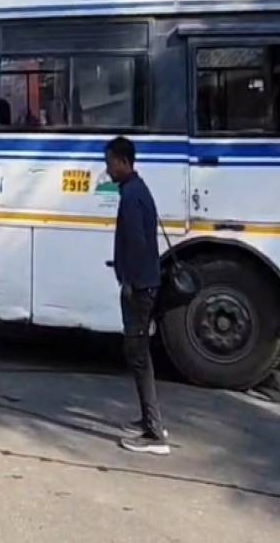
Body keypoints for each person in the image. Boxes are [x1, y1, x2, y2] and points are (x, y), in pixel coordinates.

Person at [104, 136, 169, 456]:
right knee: (139, 354)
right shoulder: (138, 189)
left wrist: (128, 280)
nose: (107, 170)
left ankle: (155, 433)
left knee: (138, 355)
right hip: (145, 283)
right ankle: (148, 421)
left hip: (140, 287)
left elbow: (137, 243)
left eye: (110, 163)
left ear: (123, 162)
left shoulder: (131, 196)